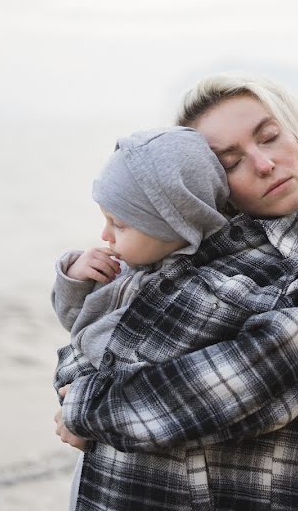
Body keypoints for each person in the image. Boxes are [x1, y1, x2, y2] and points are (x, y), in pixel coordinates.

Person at [53, 74, 298, 511]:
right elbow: (85, 349)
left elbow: (252, 380)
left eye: (269, 138)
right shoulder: (171, 254)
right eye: (230, 162)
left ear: (297, 132)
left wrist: (87, 407)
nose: (265, 164)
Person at [50, 126, 229, 507]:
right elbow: (75, 322)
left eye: (120, 224)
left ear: (174, 221)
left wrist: (86, 416)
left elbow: (162, 379)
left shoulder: (197, 291)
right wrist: (76, 277)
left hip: (143, 464)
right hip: (97, 453)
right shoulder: (127, 270)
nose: (105, 235)